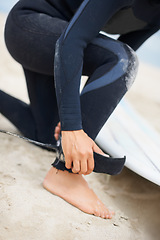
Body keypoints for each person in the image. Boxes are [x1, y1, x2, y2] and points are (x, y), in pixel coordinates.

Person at [1, 0, 159, 219]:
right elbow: (76, 44)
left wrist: (74, 114)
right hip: (30, 26)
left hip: (59, 38)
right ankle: (65, 174)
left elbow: (110, 58)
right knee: (123, 60)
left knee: (46, 135)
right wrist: (72, 125)